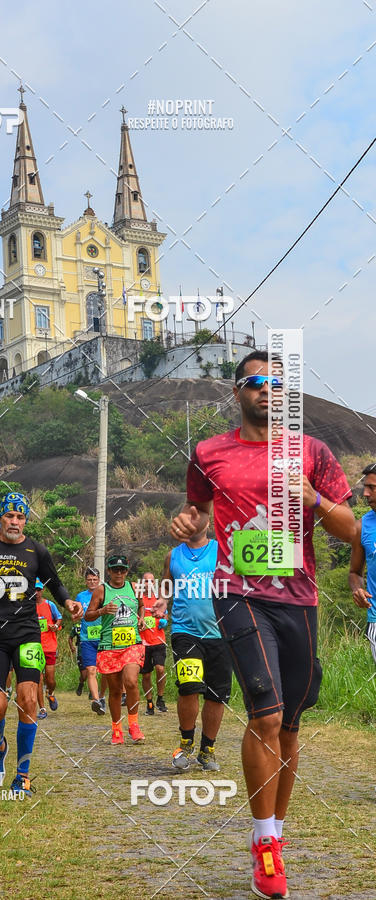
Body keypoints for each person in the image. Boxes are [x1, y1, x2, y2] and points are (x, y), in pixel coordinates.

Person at [171, 350, 354, 900]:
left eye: (276, 382)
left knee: (290, 724)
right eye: (255, 381)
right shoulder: (210, 452)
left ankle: (276, 828)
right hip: (238, 592)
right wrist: (187, 524)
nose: (266, 390)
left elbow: (349, 528)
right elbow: (197, 514)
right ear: (238, 392)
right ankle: (265, 841)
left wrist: (315, 499)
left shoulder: (312, 452)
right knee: (266, 713)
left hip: (298, 598)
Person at [0, 491, 82, 797]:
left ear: (25, 521)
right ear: (0, 518)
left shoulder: (36, 550)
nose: (14, 521)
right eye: (9, 516)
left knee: (28, 700)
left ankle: (22, 776)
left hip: (27, 633)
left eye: (20, 517)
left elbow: (53, 582)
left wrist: (67, 602)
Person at [158, 522, 232, 772]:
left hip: (220, 632)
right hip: (185, 631)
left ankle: (207, 750)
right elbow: (166, 586)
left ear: (207, 522)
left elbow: (243, 580)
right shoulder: (173, 555)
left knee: (216, 695)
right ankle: (186, 744)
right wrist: (162, 601)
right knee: (189, 686)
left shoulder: (223, 551)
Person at [85, 552, 146, 744]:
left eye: (122, 570)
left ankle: (134, 725)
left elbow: (142, 606)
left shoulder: (134, 587)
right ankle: (116, 729)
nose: (119, 573)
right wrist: (102, 610)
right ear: (109, 571)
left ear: (127, 571)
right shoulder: (101, 591)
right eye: (115, 569)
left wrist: (141, 618)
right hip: (109, 646)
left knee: (131, 681)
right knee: (115, 690)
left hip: (132, 644)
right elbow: (88, 615)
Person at [349, 462, 376, 664]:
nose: (365, 493)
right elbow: (355, 572)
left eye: (372, 488)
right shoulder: (362, 526)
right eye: (365, 487)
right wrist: (357, 589)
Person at [75, 567, 107, 715]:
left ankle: (102, 695)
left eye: (95, 580)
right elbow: (76, 614)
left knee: (106, 671)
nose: (92, 582)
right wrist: (75, 616)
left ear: (99, 580)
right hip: (87, 638)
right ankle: (96, 701)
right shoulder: (80, 596)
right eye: (89, 580)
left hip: (104, 637)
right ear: (85, 581)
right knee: (90, 670)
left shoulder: (105, 593)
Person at [137, 571, 169, 715]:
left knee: (160, 669)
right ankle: (149, 703)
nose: (148, 584)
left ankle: (160, 698)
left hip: (158, 640)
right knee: (146, 675)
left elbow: (166, 615)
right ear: (141, 583)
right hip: (143, 643)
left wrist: (164, 620)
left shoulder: (158, 598)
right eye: (146, 581)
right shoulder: (138, 599)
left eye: (151, 581)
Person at [35, 578, 63, 718]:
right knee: (38, 679)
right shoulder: (27, 606)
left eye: (38, 589)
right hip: (34, 647)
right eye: (34, 589)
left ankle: (50, 693)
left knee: (50, 679)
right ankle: (42, 709)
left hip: (49, 646)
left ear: (43, 590)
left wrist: (55, 626)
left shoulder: (49, 605)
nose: (36, 592)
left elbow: (59, 618)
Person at [68, 620, 87, 695]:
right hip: (81, 652)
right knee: (84, 675)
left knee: (91, 671)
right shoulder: (77, 626)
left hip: (92, 651)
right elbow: (70, 638)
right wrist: (72, 647)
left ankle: (92, 692)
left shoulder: (94, 623)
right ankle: (81, 684)